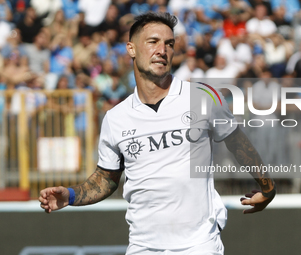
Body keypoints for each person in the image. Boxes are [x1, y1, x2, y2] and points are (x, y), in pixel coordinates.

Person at [39, 12, 276, 254]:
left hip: (199, 243)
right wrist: (70, 195)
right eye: (153, 42)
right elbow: (106, 179)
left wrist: (267, 188)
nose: (162, 50)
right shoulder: (116, 118)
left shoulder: (202, 96)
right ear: (131, 49)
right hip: (143, 246)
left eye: (169, 44)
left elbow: (238, 143)